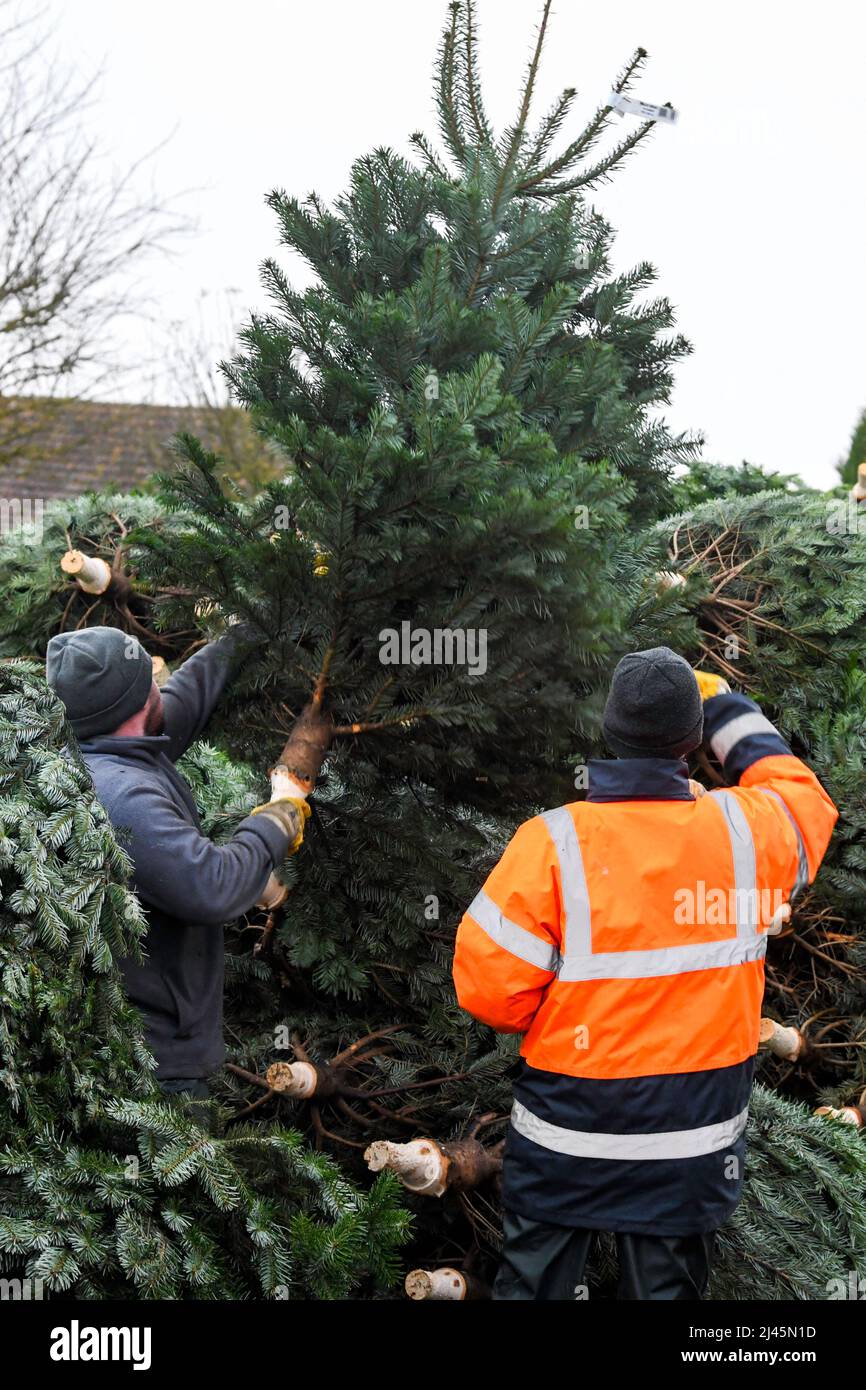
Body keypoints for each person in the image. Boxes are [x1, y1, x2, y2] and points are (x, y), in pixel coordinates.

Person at [453, 646, 837, 1300]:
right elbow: (805, 800)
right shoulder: (744, 833)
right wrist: (724, 708)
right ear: (690, 744)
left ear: (608, 734)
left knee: (530, 1287)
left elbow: (490, 992)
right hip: (688, 1150)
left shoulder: (551, 842)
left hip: (564, 1139)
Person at [46, 625, 309, 1099]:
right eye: (149, 679)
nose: (158, 685)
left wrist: (251, 627)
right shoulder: (121, 799)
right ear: (136, 703)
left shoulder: (102, 743)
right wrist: (279, 814)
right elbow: (215, 886)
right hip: (153, 1069)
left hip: (154, 1051)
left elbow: (183, 697)